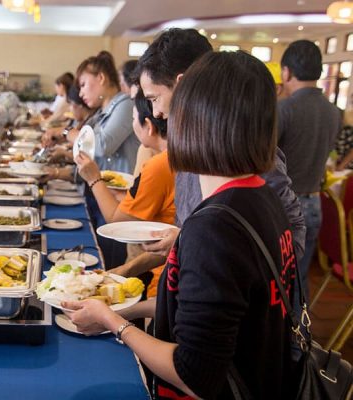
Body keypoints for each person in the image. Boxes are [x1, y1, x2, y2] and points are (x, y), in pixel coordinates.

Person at [65, 50, 297, 400]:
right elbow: (206, 316)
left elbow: (195, 374)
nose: (160, 116)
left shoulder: (215, 227)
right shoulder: (261, 196)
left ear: (198, 121)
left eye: (172, 110)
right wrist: (114, 309)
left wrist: (116, 324)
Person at [132, 28, 305, 267]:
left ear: (184, 86)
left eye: (154, 99)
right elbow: (193, 228)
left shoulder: (247, 152)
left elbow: (290, 237)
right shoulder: (189, 148)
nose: (155, 113)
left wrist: (190, 241)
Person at [278, 40, 341, 302]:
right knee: (300, 277)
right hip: (314, 201)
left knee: (277, 280)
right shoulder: (334, 112)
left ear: (286, 72)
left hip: (283, 204)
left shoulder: (284, 108)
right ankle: (300, 335)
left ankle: (281, 339)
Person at [75, 88, 173, 225]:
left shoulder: (158, 165)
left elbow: (118, 220)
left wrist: (93, 179)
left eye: (133, 119)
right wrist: (117, 195)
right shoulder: (172, 156)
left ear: (149, 126)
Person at [75, 51, 140, 174]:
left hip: (123, 189)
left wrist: (70, 134)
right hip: (105, 188)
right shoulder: (100, 113)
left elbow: (103, 146)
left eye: (83, 85)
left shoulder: (126, 104)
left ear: (101, 78)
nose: (80, 93)